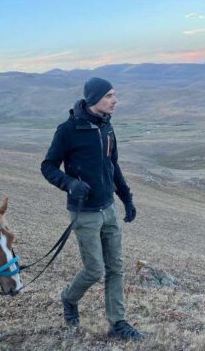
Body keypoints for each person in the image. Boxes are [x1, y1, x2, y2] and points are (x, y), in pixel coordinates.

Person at [41, 77, 144, 341]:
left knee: (115, 267)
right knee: (94, 269)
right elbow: (48, 166)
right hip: (84, 212)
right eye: (110, 95)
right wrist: (69, 184)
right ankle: (69, 298)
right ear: (94, 99)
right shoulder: (68, 130)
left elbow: (114, 167)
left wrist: (127, 199)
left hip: (108, 208)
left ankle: (118, 323)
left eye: (114, 95)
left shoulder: (107, 129)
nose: (115, 100)